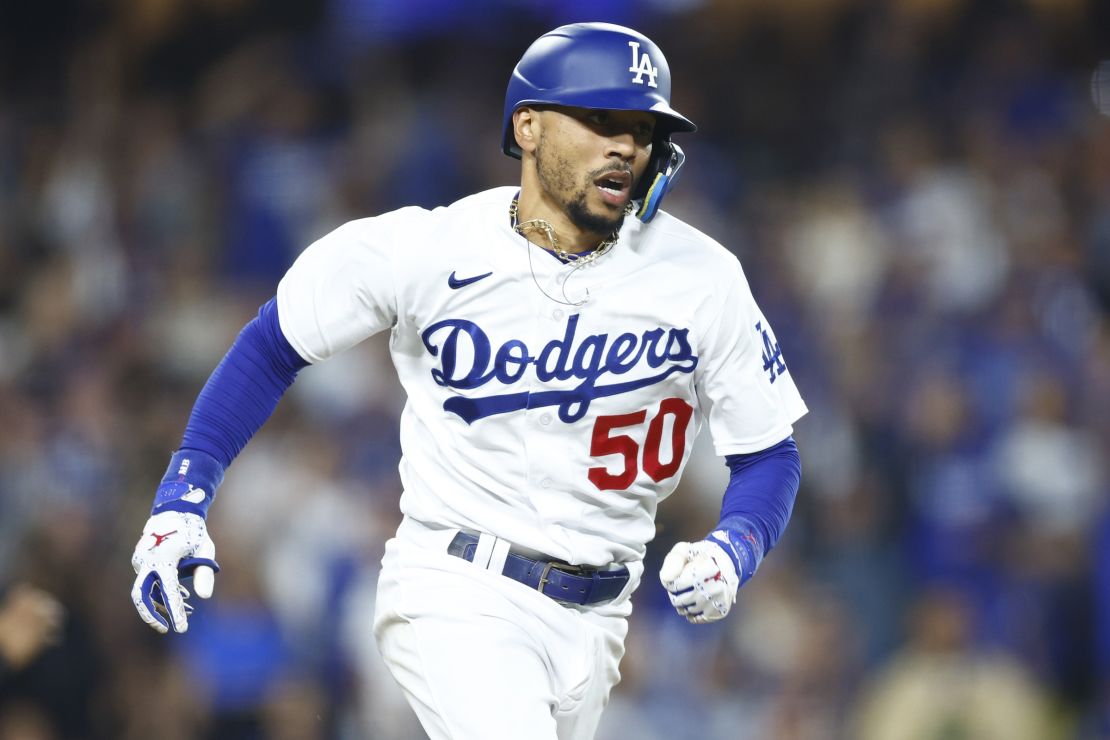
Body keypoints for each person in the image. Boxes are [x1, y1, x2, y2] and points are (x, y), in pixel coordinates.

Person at [130, 21, 807, 740]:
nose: (625, 146)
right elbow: (272, 346)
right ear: (529, 126)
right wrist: (183, 499)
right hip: (457, 587)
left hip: (604, 617)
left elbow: (769, 453)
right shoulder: (432, 249)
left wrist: (734, 548)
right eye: (600, 120)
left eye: (642, 128)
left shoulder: (702, 277)